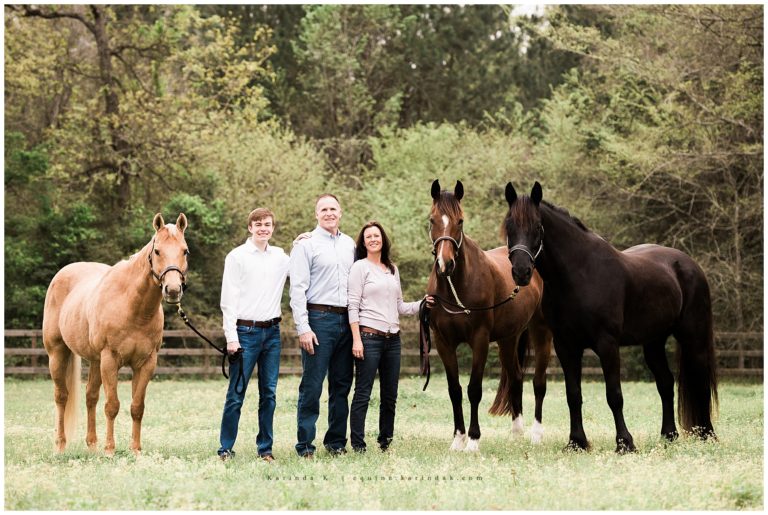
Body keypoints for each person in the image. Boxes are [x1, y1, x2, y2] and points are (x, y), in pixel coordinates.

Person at [347, 221, 433, 452]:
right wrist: (356, 339)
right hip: (368, 337)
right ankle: (358, 444)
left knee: (390, 395)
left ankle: (385, 441)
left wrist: (423, 304)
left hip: (393, 340)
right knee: (363, 392)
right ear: (363, 243)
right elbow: (352, 306)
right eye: (369, 237)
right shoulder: (360, 268)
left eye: (377, 235)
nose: (373, 239)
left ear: (383, 239)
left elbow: (400, 306)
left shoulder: (392, 269)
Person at [217, 208, 289, 463]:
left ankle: (265, 449)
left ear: (272, 227)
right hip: (245, 332)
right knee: (236, 394)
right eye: (258, 224)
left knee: (268, 393)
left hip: (272, 333)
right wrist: (231, 337)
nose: (263, 228)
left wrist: (306, 241)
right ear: (250, 227)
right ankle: (225, 448)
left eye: (267, 224)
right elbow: (228, 300)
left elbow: (302, 272)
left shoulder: (281, 257)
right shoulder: (237, 257)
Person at [289, 193, 356, 458]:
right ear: (316, 214)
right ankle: (305, 445)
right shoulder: (306, 245)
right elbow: (297, 289)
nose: (329, 213)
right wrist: (303, 327)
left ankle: (336, 443)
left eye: (333, 209)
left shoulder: (350, 244)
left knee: (341, 385)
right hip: (319, 320)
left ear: (340, 212)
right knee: (312, 385)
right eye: (324, 209)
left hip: (346, 321)